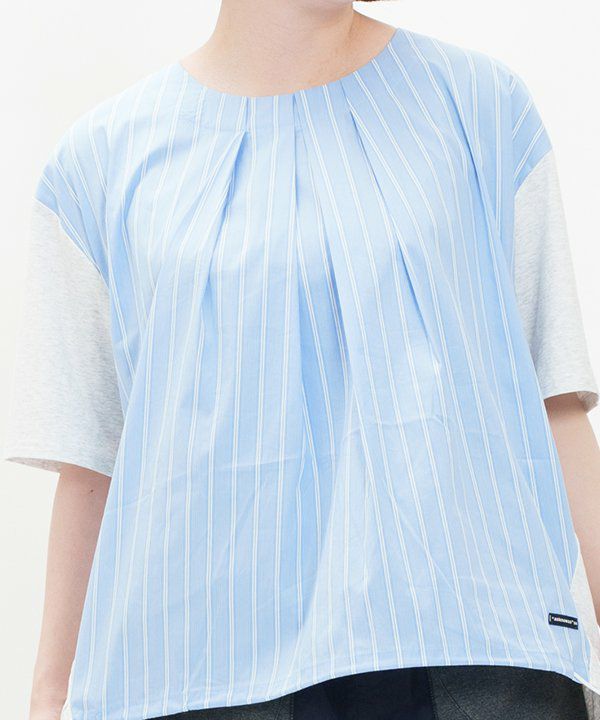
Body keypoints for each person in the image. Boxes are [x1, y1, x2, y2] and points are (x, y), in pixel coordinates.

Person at [3, 1, 600, 719]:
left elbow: (554, 400)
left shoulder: (482, 106)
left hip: (472, 648)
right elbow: (94, 463)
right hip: (194, 665)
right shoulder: (98, 166)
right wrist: (49, 695)